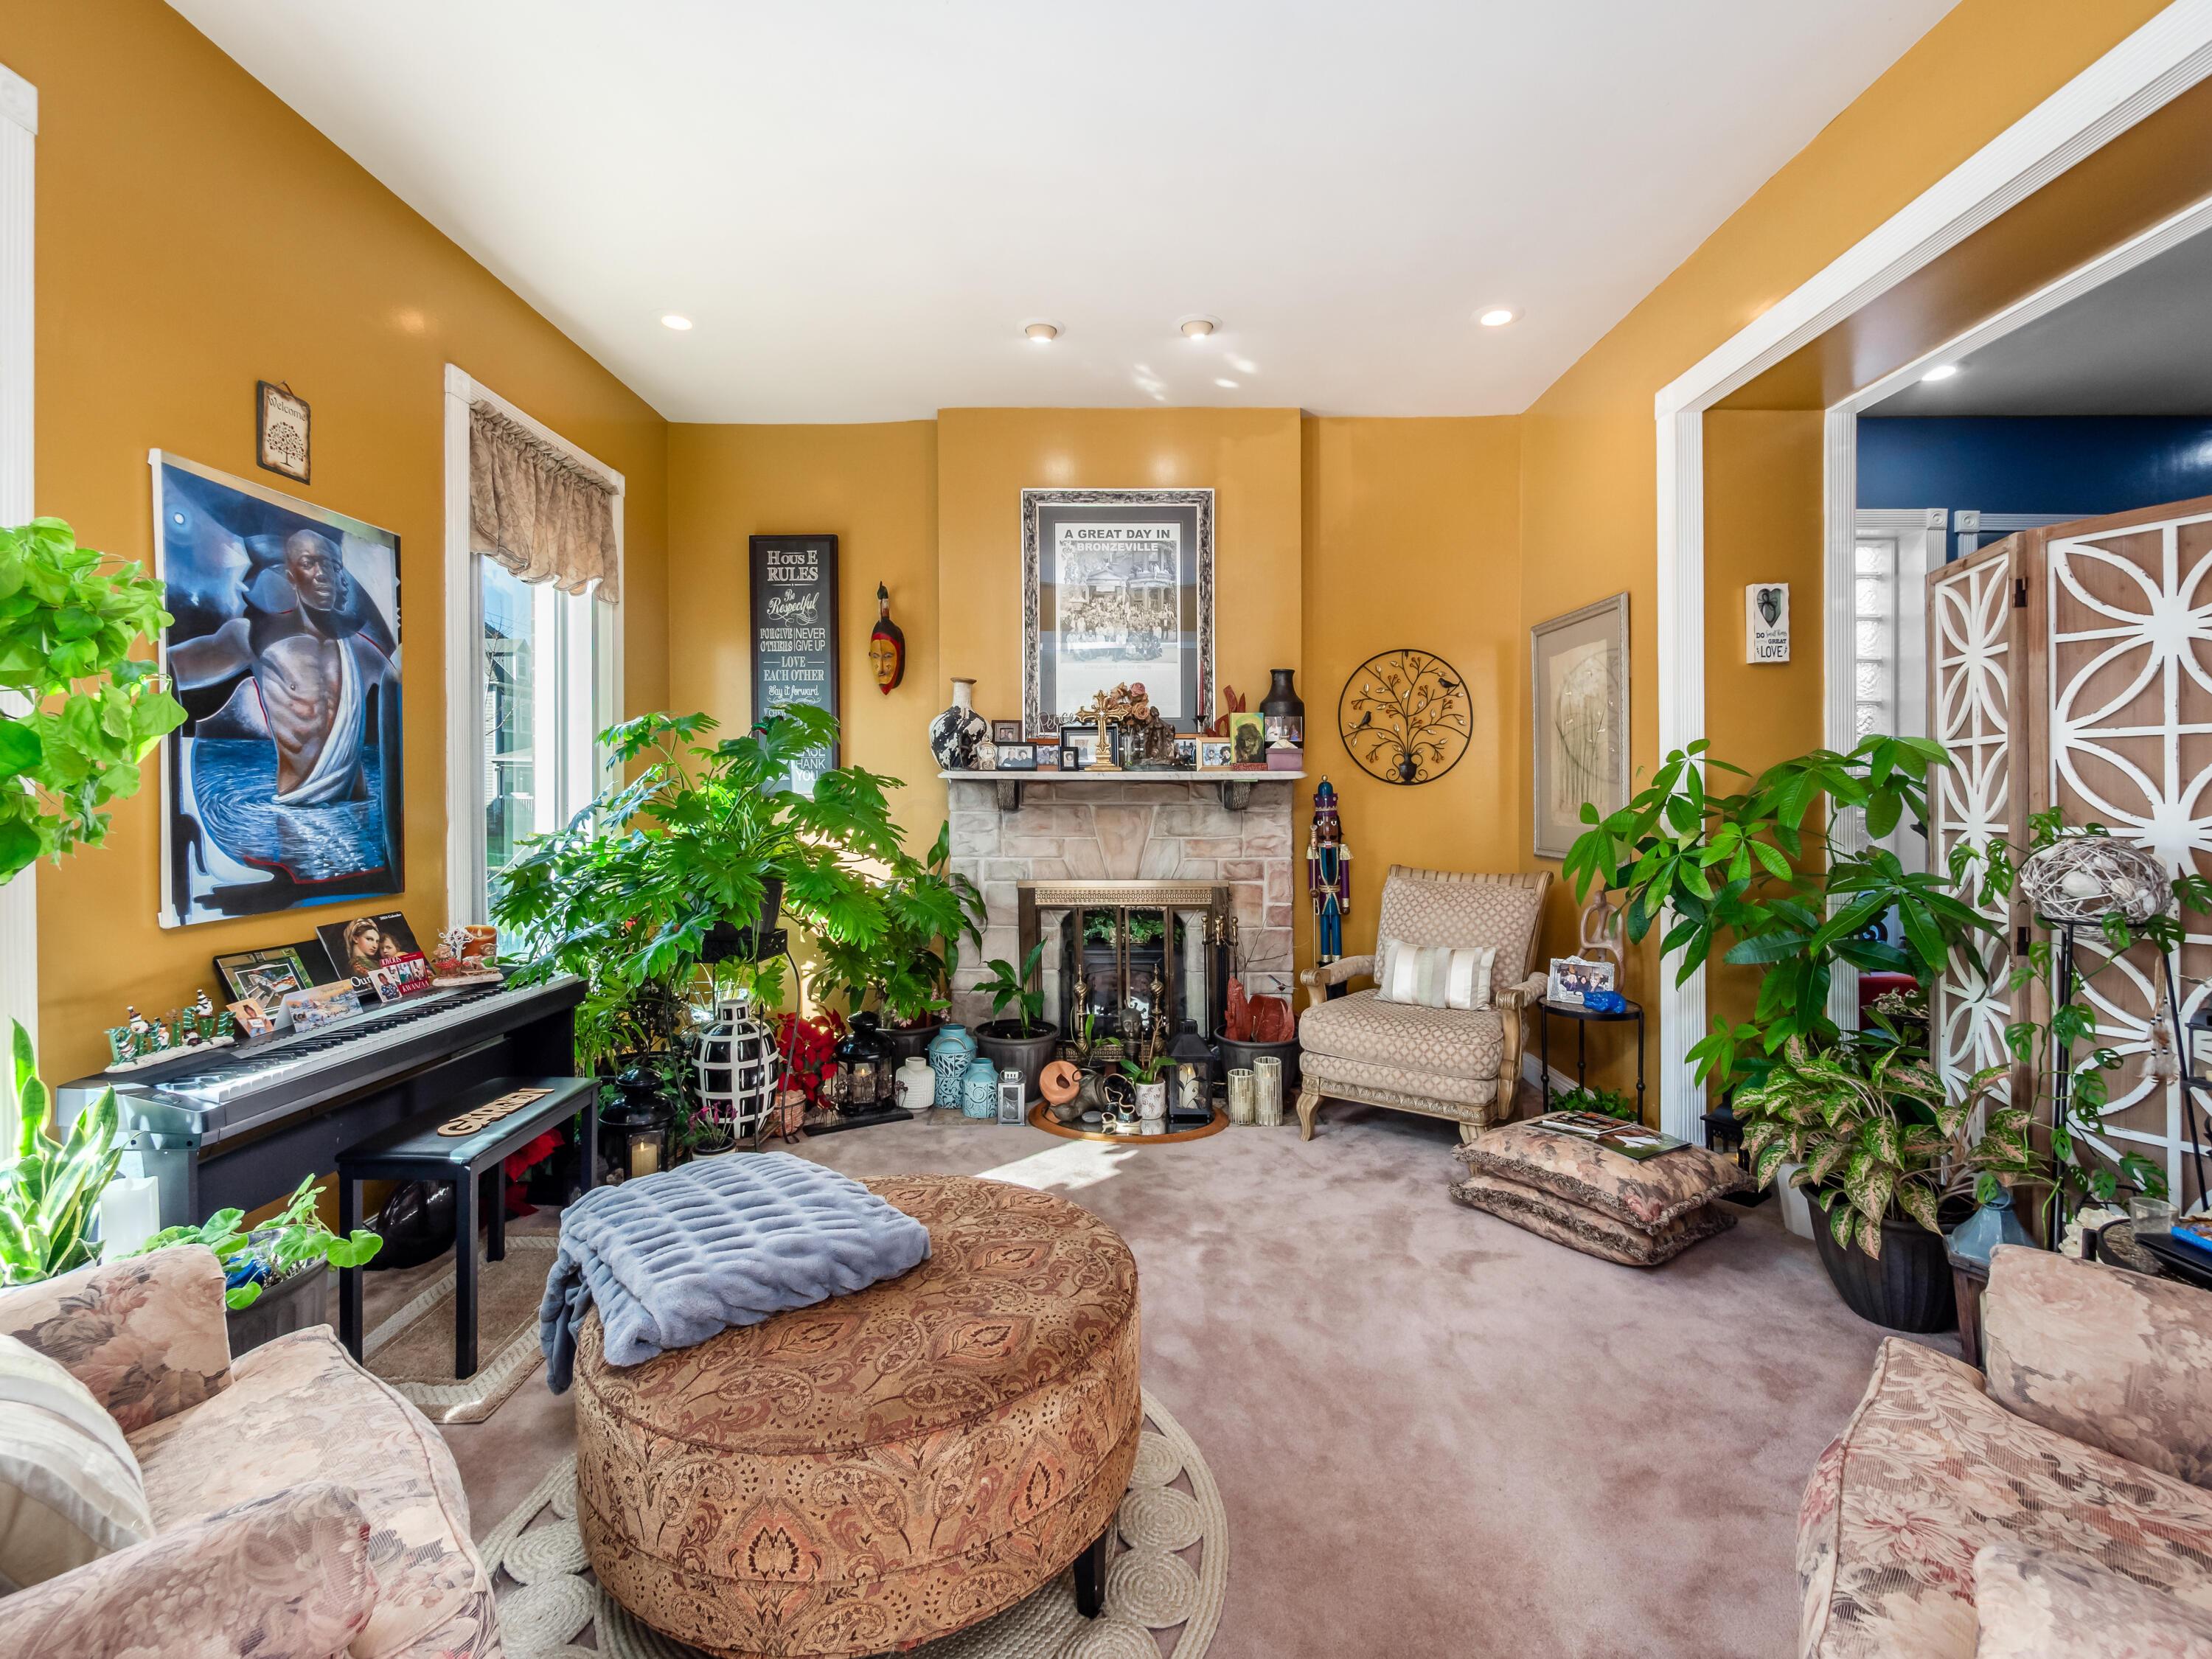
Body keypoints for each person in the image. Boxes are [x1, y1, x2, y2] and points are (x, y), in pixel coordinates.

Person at [170, 526, 399, 807]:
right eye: (309, 563)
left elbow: (412, 704)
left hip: (355, 808)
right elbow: (169, 668)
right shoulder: (256, 639)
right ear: (291, 577)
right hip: (296, 808)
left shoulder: (363, 652)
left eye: (332, 565)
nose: (322, 574)